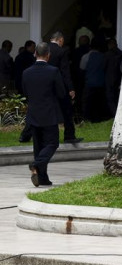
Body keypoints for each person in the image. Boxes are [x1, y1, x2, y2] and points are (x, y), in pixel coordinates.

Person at [23, 42, 66, 187]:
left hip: (33, 113)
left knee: (39, 147)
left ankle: (42, 178)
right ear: (48, 55)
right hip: (49, 113)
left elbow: (25, 93)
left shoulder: (26, 72)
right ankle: (36, 164)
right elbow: (61, 93)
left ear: (35, 54)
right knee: (52, 143)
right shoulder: (53, 71)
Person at [48, 32, 82, 143]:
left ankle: (26, 135)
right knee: (67, 111)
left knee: (40, 108)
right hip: (59, 86)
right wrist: (71, 88)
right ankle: (69, 135)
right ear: (60, 40)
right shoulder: (61, 51)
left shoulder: (43, 48)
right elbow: (65, 72)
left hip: (45, 84)